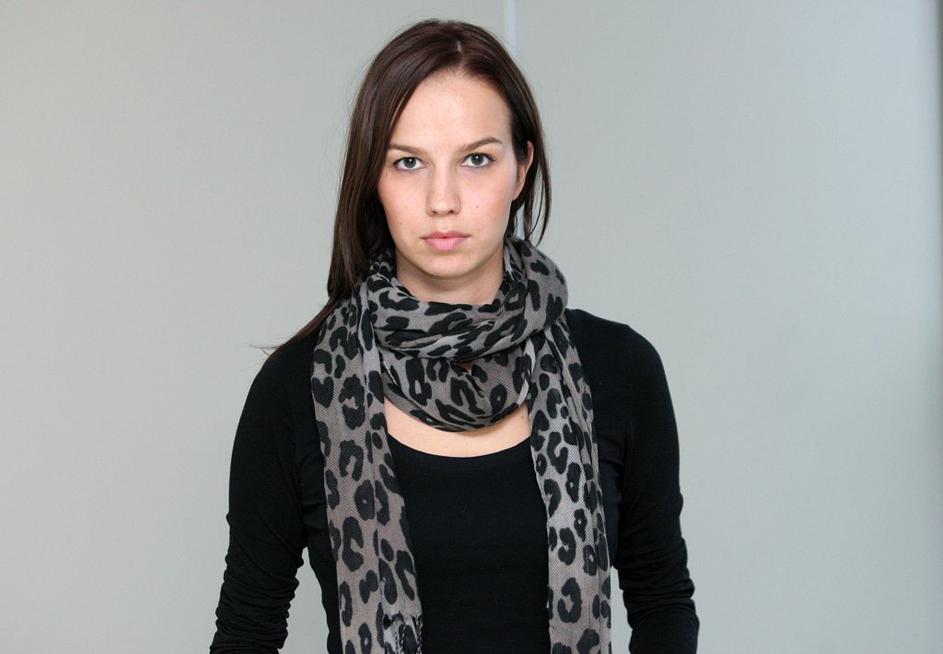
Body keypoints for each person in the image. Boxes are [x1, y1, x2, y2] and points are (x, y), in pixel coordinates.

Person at [209, 18, 698, 654]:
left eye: (476, 159)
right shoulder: (296, 390)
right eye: (409, 162)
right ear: (374, 179)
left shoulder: (619, 369)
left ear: (521, 169)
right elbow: (246, 631)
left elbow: (662, 601)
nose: (443, 199)